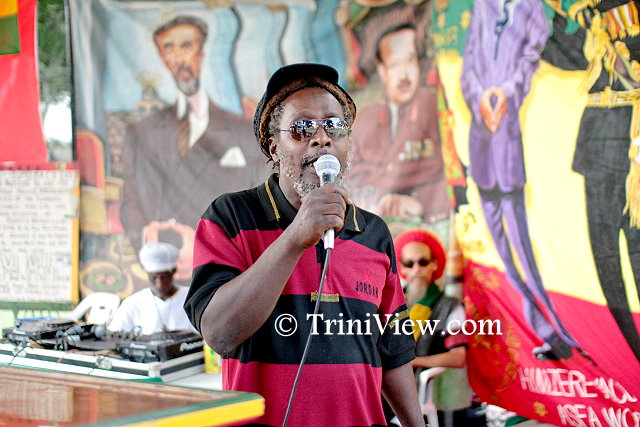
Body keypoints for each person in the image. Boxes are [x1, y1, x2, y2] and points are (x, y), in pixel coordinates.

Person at [185, 63, 424, 426]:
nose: (321, 138)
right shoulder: (231, 216)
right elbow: (219, 334)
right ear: (273, 147)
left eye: (334, 126)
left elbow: (393, 351)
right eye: (302, 128)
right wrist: (295, 238)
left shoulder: (374, 232)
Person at [460, 0, 586, 361]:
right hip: (481, 139)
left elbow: (532, 57)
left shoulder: (530, 8)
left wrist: (506, 94)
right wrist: (480, 98)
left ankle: (557, 331)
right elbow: (470, 62)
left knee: (524, 249)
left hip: (509, 139)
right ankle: (541, 330)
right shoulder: (483, 7)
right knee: (501, 251)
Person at [121, 15, 268, 282]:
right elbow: (130, 200)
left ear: (201, 53)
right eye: (169, 48)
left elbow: (260, 207)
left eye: (186, 45)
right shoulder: (141, 133)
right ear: (162, 57)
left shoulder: (244, 132)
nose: (179, 58)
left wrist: (208, 251)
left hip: (225, 275)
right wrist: (148, 243)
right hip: (161, 278)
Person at [349, 24, 450, 238]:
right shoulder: (364, 118)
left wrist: (418, 202)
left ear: (420, 64)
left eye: (410, 60)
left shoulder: (437, 106)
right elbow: (350, 176)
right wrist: (380, 200)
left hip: (432, 225)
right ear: (382, 71)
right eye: (395, 64)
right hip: (376, 226)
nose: (404, 74)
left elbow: (453, 170)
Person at [395, 228, 472, 426]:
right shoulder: (391, 303)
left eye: (423, 262)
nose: (416, 269)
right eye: (409, 263)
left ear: (434, 264)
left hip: (418, 389)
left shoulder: (450, 306)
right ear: (402, 268)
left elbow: (458, 357)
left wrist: (413, 362)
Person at [108, 241, 194, 335]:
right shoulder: (133, 303)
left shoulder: (191, 298)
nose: (159, 284)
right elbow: (114, 335)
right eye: (154, 278)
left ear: (173, 272)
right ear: (147, 275)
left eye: (164, 277)